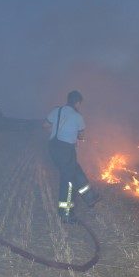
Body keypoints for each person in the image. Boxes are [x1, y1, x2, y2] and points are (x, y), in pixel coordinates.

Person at [43, 90, 100, 223]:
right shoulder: (77, 116)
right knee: (68, 181)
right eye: (80, 104)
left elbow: (45, 125)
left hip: (53, 147)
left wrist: (58, 132)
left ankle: (90, 197)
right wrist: (74, 135)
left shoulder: (56, 110)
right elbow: (81, 136)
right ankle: (66, 214)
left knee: (75, 170)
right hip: (66, 150)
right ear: (77, 103)